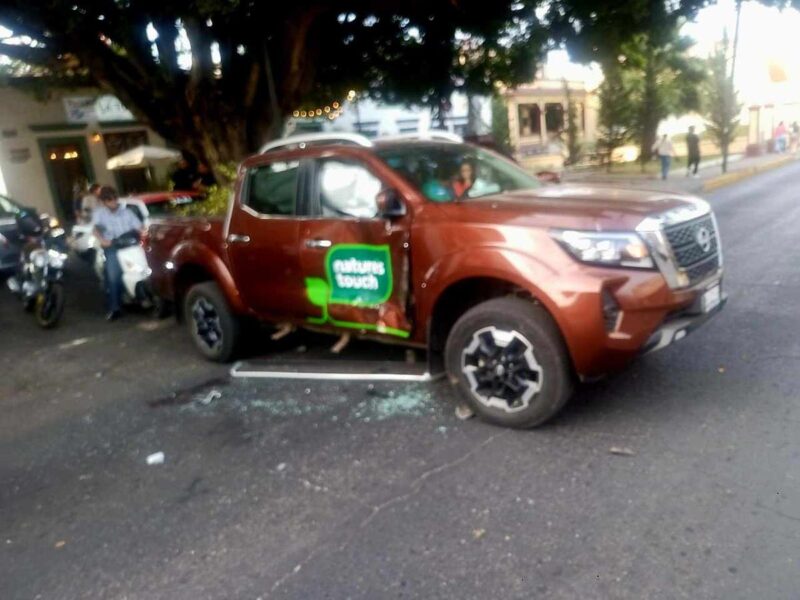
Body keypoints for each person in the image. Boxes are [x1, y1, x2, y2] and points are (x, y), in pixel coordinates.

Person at [92, 186, 144, 321]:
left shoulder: (127, 212)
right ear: (103, 201)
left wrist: (145, 235)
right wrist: (103, 240)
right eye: (109, 200)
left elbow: (140, 228)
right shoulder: (99, 214)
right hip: (113, 246)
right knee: (114, 275)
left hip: (131, 244)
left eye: (114, 198)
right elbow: (96, 229)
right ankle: (114, 308)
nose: (113, 202)